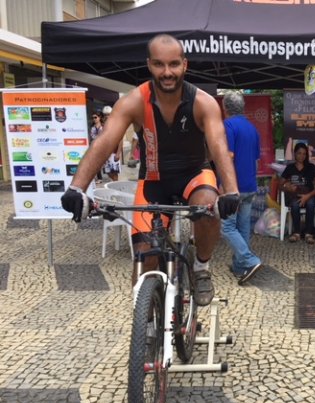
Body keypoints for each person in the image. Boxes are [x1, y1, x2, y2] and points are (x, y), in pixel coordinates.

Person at [60, 34, 240, 306]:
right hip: (153, 181)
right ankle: (148, 328)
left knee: (207, 209)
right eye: (159, 64)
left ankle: (202, 268)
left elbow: (217, 144)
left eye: (173, 64)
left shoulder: (203, 102)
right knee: (144, 258)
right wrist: (77, 188)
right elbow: (105, 141)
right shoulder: (134, 101)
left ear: (184, 65)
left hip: (194, 176)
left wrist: (231, 192)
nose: (167, 72)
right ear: (149, 65)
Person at [221, 91, 263, 284]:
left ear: (225, 107)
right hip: (250, 184)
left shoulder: (228, 125)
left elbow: (228, 156)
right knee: (243, 226)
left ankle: (249, 259)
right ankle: (239, 267)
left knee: (227, 226)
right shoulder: (252, 128)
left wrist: (223, 184)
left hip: (233, 186)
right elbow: (255, 159)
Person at [280, 142, 315, 244]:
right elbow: (280, 185)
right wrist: (288, 188)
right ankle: (297, 233)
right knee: (294, 204)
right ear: (294, 154)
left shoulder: (311, 167)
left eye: (304, 154)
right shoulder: (290, 168)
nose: (302, 156)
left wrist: (307, 196)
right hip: (295, 195)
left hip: (309, 194)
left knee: (311, 203)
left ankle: (308, 234)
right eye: (299, 153)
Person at [89, 111, 104, 183]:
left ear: (99, 117)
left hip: (102, 146)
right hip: (94, 146)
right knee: (95, 163)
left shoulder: (103, 126)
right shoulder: (92, 127)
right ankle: (99, 177)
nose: (94, 119)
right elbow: (92, 136)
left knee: (101, 163)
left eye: (95, 117)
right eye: (93, 118)